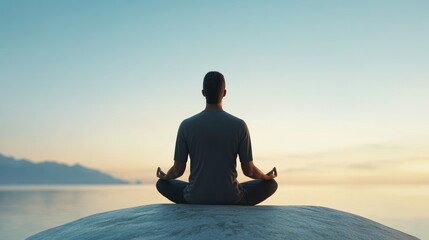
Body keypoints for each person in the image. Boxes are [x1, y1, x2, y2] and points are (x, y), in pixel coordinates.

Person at [156, 71, 277, 205]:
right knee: (271, 185)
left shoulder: (186, 125)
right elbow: (249, 170)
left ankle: (194, 193)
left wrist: (166, 176)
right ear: (224, 93)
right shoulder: (239, 125)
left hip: (194, 198)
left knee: (161, 184)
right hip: (232, 198)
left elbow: (178, 170)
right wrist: (266, 177)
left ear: (203, 93)